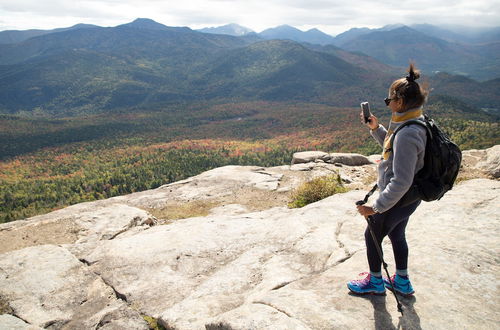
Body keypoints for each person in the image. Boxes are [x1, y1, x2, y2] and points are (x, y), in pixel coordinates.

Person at [347, 63, 429, 296]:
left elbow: (401, 180)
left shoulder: (407, 132)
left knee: (372, 236)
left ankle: (375, 282)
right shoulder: (413, 123)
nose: (388, 103)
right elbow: (394, 150)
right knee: (396, 233)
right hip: (409, 198)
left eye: (389, 100)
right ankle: (402, 281)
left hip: (398, 198)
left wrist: (376, 207)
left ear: (400, 103)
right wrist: (376, 128)